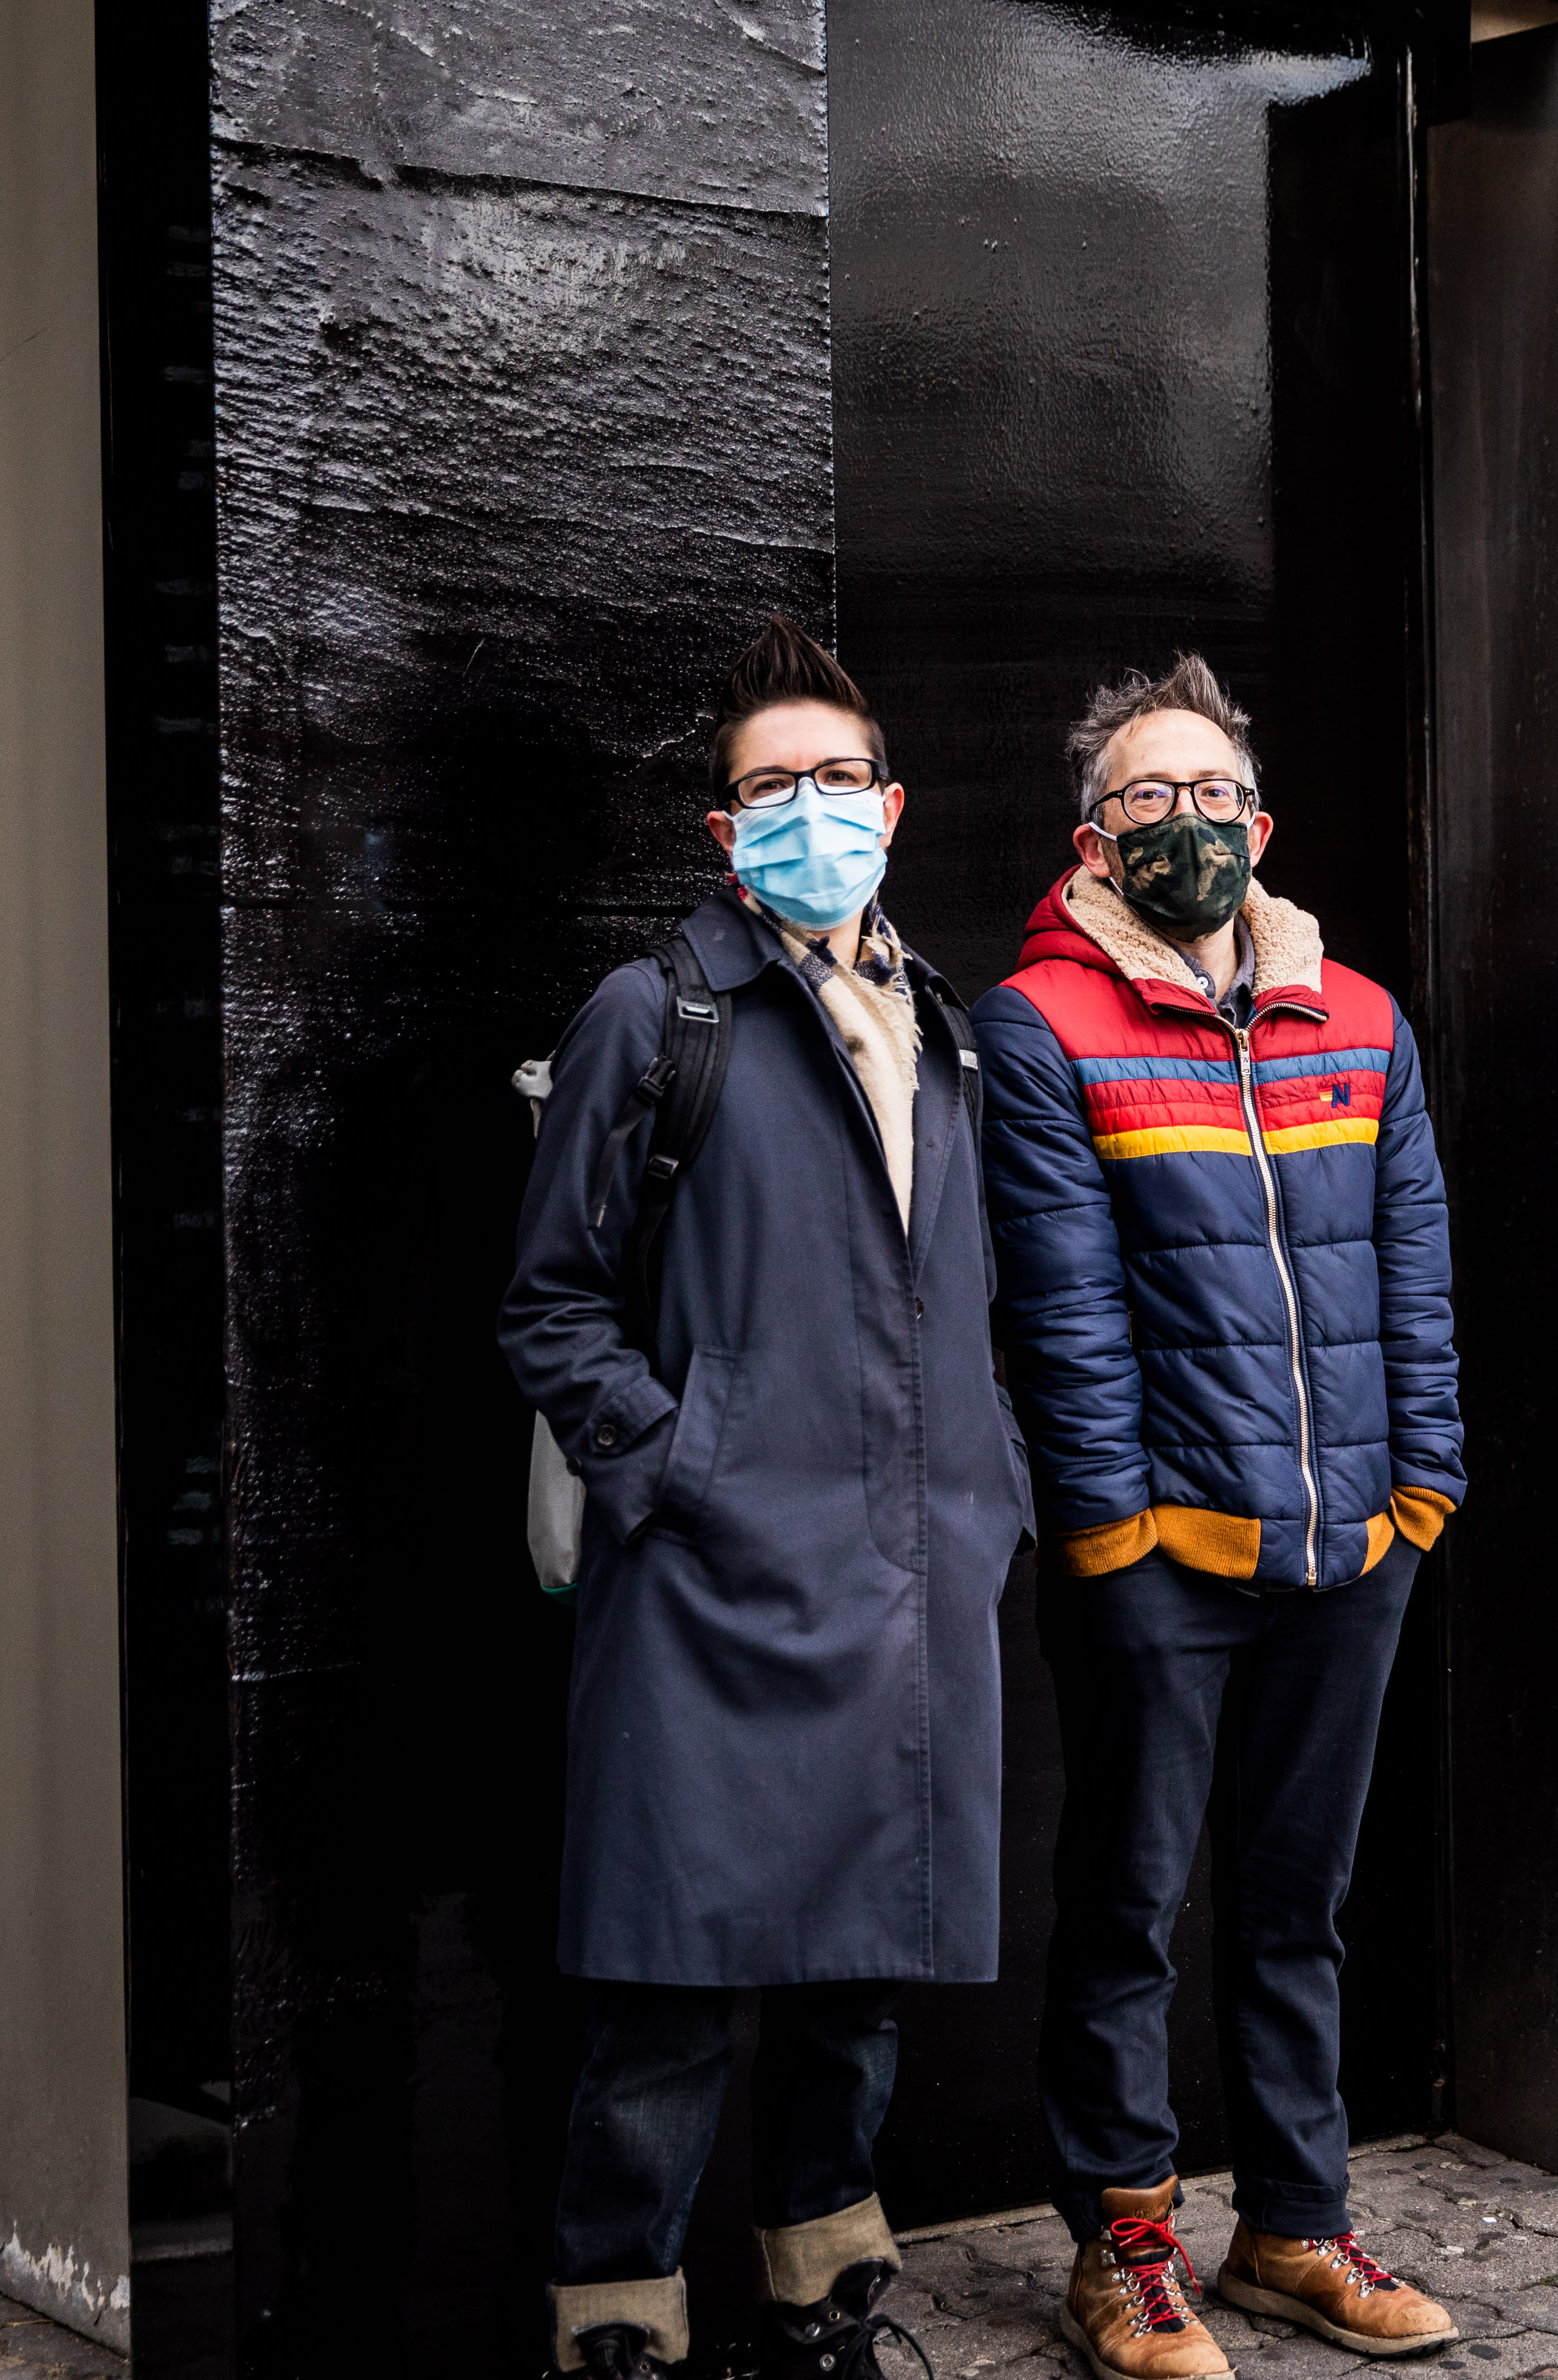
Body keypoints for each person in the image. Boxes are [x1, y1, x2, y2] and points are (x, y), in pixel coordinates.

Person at [502, 617, 1026, 2380]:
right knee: (661, 2008)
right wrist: (676, 1460)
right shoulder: (654, 1015)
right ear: (722, 832)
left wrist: (994, 1488)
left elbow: (963, 1293)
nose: (810, 807)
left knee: (852, 1994)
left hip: (901, 1580)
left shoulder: (939, 1026)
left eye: (837, 778)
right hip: (711, 1583)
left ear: (894, 800)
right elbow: (549, 1304)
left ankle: (822, 2304)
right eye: (769, 785)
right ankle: (617, 2328)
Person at [976, 655, 1466, 2380]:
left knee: (1293, 1897)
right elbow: (1059, 1311)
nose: (1179, 822)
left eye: (1207, 796)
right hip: (1161, 1560)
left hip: (1347, 1548)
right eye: (1141, 799)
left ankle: (1291, 2222)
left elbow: (1414, 1274)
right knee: (1126, 1904)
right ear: (1089, 841)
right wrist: (1108, 1531)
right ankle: (1123, 2249)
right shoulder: (1038, 1026)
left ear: (1258, 824)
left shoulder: (1364, 1018)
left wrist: (1422, 1490)